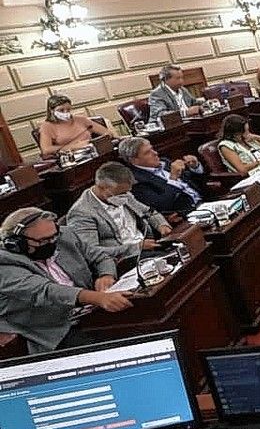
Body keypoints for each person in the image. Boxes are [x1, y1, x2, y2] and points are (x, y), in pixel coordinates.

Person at [0, 208, 133, 353]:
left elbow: (101, 256)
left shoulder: (65, 236)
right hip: (55, 329)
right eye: (44, 240)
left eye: (54, 236)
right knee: (108, 351)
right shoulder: (5, 263)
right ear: (16, 243)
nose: (52, 242)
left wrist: (106, 275)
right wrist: (97, 298)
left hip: (91, 311)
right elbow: (45, 291)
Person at [66, 161, 172, 262]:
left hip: (150, 245)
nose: (125, 196)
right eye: (121, 193)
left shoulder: (124, 194)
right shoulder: (81, 213)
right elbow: (91, 251)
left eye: (127, 192)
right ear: (102, 188)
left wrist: (162, 225)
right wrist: (136, 247)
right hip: (124, 258)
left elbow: (149, 212)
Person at [119, 137, 206, 217]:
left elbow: (193, 182)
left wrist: (195, 167)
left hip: (205, 202)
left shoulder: (165, 162)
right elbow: (162, 204)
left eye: (152, 149)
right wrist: (173, 179)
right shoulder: (136, 180)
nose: (155, 153)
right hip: (187, 214)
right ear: (134, 160)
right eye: (147, 152)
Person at [37, 94, 113, 159]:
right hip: (73, 158)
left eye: (68, 109)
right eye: (61, 110)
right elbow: (46, 150)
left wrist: (94, 143)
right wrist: (75, 146)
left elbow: (107, 133)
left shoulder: (81, 119)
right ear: (52, 110)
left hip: (94, 152)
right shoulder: (47, 126)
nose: (66, 113)